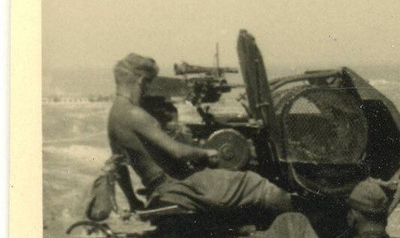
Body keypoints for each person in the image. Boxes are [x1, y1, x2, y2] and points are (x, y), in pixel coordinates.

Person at [106, 53, 292, 216]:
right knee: (254, 183)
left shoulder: (115, 115)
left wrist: (133, 201)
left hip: (159, 188)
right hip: (177, 186)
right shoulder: (135, 115)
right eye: (148, 83)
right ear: (141, 81)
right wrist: (206, 153)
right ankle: (303, 217)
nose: (147, 89)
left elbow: (118, 166)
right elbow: (178, 152)